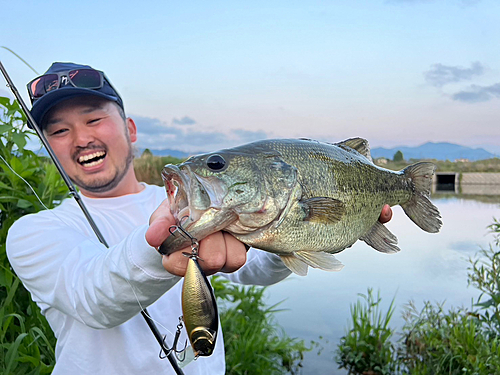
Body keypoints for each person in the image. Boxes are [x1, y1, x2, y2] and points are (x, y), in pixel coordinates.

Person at [6, 62, 393, 374]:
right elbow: (93, 300)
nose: (80, 138)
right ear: (47, 148)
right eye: (58, 130)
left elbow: (255, 267)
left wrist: (302, 231)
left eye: (93, 120)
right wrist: (160, 247)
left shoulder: (207, 209)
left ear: (130, 128)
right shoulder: (34, 233)